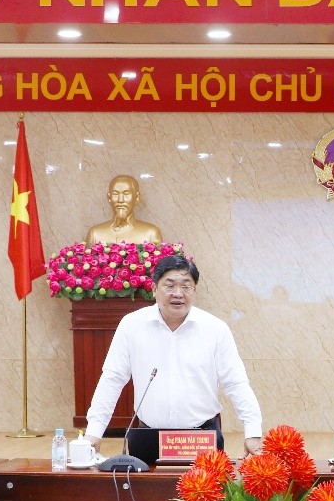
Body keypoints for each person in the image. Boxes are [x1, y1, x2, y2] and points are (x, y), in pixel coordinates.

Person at [84, 255, 263, 454]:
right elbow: (112, 379)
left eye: (186, 287)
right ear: (154, 289)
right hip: (148, 438)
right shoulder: (131, 325)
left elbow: (236, 383)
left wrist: (252, 431)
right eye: (169, 286)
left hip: (201, 439)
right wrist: (94, 431)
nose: (178, 294)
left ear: (194, 290)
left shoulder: (215, 329)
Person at [85, 174, 163, 245]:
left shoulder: (151, 233)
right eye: (115, 194)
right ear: (109, 197)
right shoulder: (95, 233)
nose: (121, 200)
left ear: (137, 197)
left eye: (126, 194)